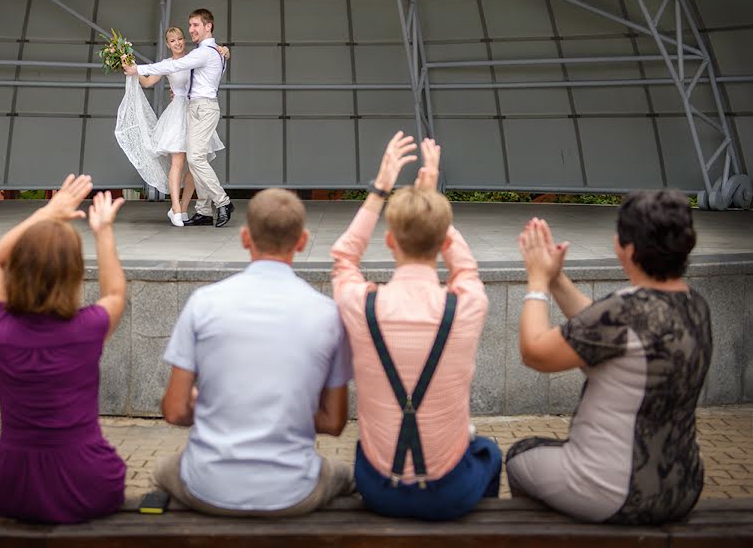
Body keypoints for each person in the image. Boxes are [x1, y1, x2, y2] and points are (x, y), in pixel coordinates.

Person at [508, 190, 712, 524]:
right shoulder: (695, 305)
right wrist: (557, 278)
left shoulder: (625, 313)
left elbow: (535, 352)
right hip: (683, 485)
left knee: (520, 456)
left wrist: (537, 281)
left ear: (627, 249)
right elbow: (600, 329)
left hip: (619, 493)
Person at [151, 188, 354, 516]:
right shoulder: (328, 314)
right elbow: (334, 422)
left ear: (245, 238)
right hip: (293, 490)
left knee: (161, 470)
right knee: (345, 475)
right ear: (302, 241)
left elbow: (174, 412)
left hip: (208, 485)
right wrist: (283, 414)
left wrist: (215, 407)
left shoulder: (204, 303)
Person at [331, 132, 499, 521]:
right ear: (442, 242)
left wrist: (379, 189)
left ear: (389, 241)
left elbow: (343, 259)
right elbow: (466, 269)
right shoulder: (467, 305)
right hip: (449, 493)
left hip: (378, 489)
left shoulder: (361, 304)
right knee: (489, 451)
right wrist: (433, 205)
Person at [0, 174, 127, 524]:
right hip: (89, 482)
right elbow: (115, 294)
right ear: (75, 274)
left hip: (14, 486)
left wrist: (47, 212)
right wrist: (103, 231)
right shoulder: (87, 329)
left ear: (18, 270)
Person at [124, 8, 234, 227]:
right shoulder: (212, 51)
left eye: (194, 25)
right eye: (190, 26)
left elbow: (174, 65)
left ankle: (223, 202)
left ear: (208, 26)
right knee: (194, 160)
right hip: (192, 107)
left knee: (195, 159)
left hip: (202, 108)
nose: (191, 30)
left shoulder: (204, 52)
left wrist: (138, 68)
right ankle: (202, 210)